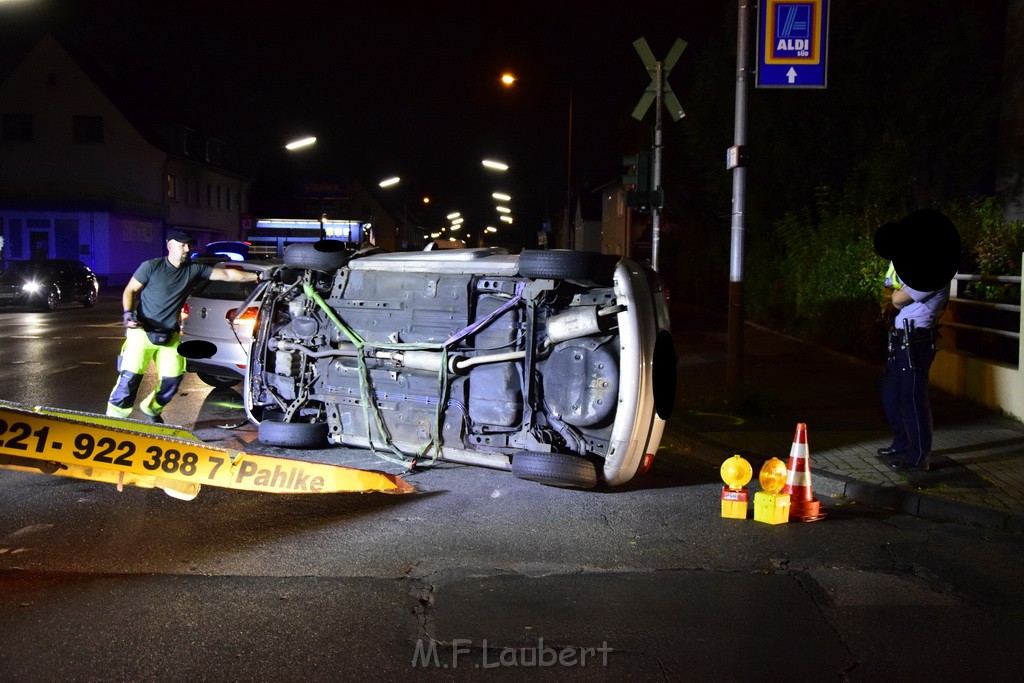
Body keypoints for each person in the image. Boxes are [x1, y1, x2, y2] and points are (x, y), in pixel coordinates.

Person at [106, 230, 260, 422]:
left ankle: (151, 410)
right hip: (141, 333)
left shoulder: (193, 269)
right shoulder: (151, 267)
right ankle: (113, 421)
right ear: (169, 246)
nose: (187, 249)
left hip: (169, 336)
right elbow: (130, 290)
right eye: (182, 245)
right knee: (129, 381)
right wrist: (128, 314)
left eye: (189, 245)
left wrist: (257, 276)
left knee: (172, 381)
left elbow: (227, 274)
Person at [873, 209, 961, 472]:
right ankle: (902, 443)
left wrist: (893, 295)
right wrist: (892, 293)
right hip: (900, 339)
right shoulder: (917, 269)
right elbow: (889, 289)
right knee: (892, 395)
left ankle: (919, 455)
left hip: (917, 340)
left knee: (913, 398)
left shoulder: (934, 275)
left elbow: (897, 298)